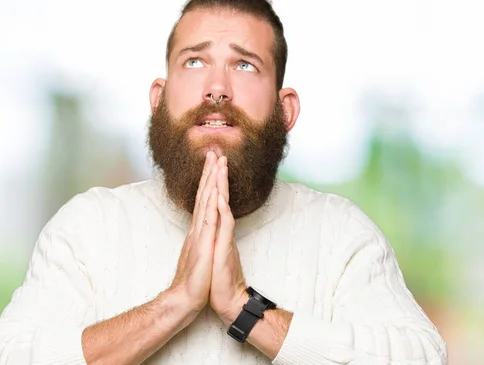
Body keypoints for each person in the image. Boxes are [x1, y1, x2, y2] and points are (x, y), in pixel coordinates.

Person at [0, 0, 447, 364]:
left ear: (285, 108)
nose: (217, 89)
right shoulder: (87, 227)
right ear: (158, 100)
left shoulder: (341, 234)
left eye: (245, 65)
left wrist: (243, 307)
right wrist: (173, 304)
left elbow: (422, 358)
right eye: (194, 61)